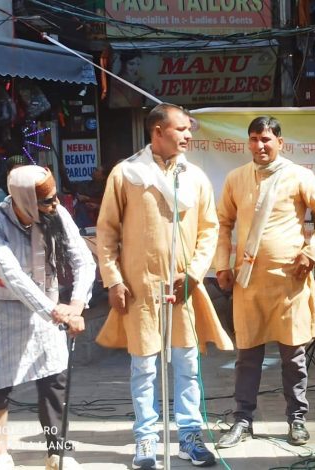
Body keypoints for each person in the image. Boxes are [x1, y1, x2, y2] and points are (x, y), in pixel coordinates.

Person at [96, 103, 233, 469]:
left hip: (182, 288)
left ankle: (189, 436)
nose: (188, 136)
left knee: (187, 364)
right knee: (144, 367)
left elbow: (210, 230)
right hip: (140, 288)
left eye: (189, 130)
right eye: (181, 129)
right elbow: (106, 232)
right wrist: (113, 279)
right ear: (157, 132)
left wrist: (193, 273)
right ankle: (146, 439)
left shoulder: (195, 177)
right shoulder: (127, 174)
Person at [214, 116, 315, 449]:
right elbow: (222, 223)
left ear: (280, 142)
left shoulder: (299, 176)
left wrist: (312, 253)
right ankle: (242, 421)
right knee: (247, 357)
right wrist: (221, 264)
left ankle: (297, 419)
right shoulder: (235, 178)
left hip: (289, 282)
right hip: (248, 282)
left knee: (293, 356)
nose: (260, 145)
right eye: (254, 139)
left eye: (266, 139)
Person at [0, 165, 96, 470]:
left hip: (48, 302)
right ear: (23, 200)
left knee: (54, 376)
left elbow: (83, 260)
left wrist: (76, 305)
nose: (55, 206)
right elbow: (13, 276)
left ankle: (56, 450)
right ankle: (0, 453)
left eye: (55, 199)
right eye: (47, 201)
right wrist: (56, 313)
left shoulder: (57, 215)